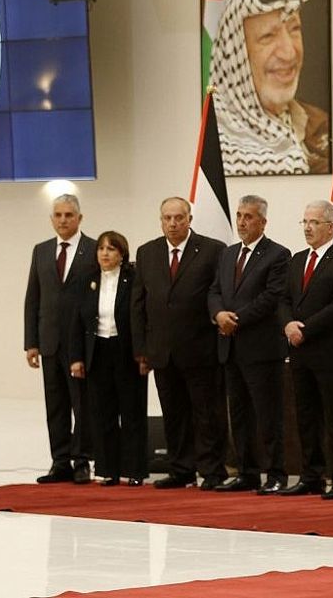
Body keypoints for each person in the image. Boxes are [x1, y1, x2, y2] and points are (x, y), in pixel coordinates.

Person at [131, 197, 229, 490]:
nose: (173, 223)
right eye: (167, 218)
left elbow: (218, 295)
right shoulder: (147, 252)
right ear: (160, 220)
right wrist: (141, 349)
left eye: (178, 218)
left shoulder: (213, 250)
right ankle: (181, 469)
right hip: (162, 351)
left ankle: (212, 470)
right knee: (173, 413)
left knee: (206, 413)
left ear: (189, 219)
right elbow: (138, 305)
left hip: (201, 349)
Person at [208, 195, 291, 494]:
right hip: (229, 346)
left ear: (263, 222)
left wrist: (236, 319)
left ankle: (276, 473)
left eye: (249, 217)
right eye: (240, 215)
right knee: (239, 414)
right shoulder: (228, 254)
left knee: (268, 415)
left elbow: (272, 297)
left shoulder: (278, 255)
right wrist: (218, 314)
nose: (242, 222)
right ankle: (247, 472)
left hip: (261, 348)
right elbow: (215, 290)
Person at [278, 200, 333, 498]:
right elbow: (284, 299)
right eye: (305, 222)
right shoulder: (297, 259)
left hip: (332, 353)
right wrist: (288, 325)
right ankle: (310, 475)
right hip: (300, 353)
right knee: (305, 416)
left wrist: (304, 329)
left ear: (331, 226)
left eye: (314, 222)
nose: (308, 228)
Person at [210, 0, 330, 175]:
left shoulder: (320, 123)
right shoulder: (218, 147)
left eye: (294, 29)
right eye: (268, 36)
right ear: (237, 53)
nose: (289, 52)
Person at [24, 194, 98, 485]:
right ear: (51, 219)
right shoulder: (41, 251)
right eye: (58, 215)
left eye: (69, 215)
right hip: (50, 342)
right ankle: (60, 461)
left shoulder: (94, 249)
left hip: (81, 343)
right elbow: (33, 298)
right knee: (55, 405)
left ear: (80, 218)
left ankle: (82, 461)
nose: (63, 220)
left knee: (82, 404)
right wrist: (31, 341)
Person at [69, 231, 149, 487]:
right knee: (102, 413)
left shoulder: (134, 279)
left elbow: (142, 317)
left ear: (122, 254)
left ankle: (134, 471)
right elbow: (76, 323)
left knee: (132, 411)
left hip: (127, 351)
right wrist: (76, 358)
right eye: (101, 249)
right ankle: (106, 469)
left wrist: (144, 352)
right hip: (97, 351)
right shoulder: (87, 281)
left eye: (111, 249)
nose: (105, 253)